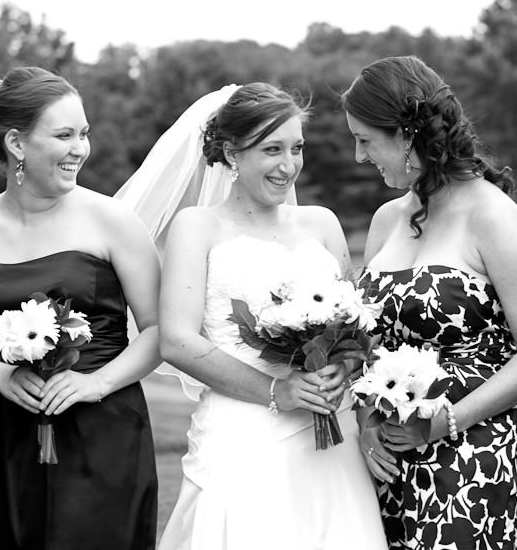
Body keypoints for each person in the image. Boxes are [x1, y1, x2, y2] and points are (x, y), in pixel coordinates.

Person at [130, 82, 387, 550]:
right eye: (272, 149)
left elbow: (357, 326)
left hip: (331, 434)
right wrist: (278, 390)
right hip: (243, 435)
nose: (288, 165)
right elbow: (178, 341)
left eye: (297, 148)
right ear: (232, 153)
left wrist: (342, 367)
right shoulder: (198, 226)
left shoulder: (323, 223)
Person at [341, 55, 517, 550]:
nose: (359, 156)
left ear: (405, 133)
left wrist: (446, 422)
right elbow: (364, 344)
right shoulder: (385, 220)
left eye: (364, 140)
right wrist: (365, 423)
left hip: (475, 444)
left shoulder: (494, 216)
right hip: (390, 449)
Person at [0, 67, 160, 549]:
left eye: (83, 133)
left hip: (108, 427)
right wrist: (0, 375)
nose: (80, 148)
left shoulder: (113, 220)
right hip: (17, 430)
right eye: (64, 135)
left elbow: (159, 331)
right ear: (17, 144)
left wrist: (95, 383)